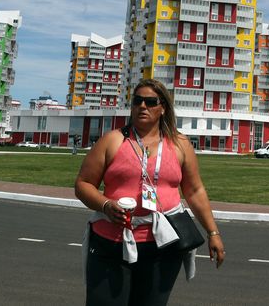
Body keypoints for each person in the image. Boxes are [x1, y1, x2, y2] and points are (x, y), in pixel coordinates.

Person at [75, 79, 225, 305]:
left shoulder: (179, 144)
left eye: (150, 102)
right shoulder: (113, 140)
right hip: (111, 243)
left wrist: (213, 233)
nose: (142, 106)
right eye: (137, 101)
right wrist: (106, 205)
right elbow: (83, 184)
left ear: (163, 107)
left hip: (162, 247)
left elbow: (194, 191)